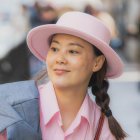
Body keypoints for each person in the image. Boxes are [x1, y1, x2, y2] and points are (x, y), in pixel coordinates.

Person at [0, 11, 127, 140]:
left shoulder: (105, 131)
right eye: (54, 49)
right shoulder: (11, 107)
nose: (59, 59)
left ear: (97, 63)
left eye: (73, 51)